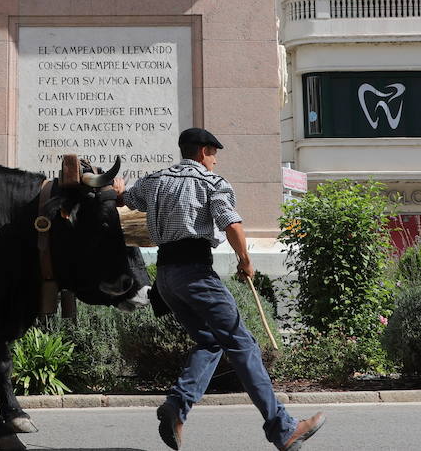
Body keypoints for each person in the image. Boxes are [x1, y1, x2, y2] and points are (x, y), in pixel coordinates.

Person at [115, 128, 324, 451]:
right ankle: (283, 429)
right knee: (244, 345)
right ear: (202, 152)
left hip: (167, 279)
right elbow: (231, 224)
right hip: (196, 274)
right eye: (213, 153)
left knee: (211, 341)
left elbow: (125, 198)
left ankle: (177, 406)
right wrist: (245, 261)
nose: (215, 160)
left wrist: (117, 188)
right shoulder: (211, 182)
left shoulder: (154, 180)